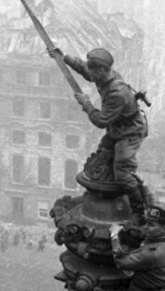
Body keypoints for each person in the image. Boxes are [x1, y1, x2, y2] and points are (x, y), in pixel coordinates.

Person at [48, 47, 148, 212]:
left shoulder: (117, 92)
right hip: (118, 128)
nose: (91, 75)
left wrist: (86, 103)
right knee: (102, 154)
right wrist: (64, 57)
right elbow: (84, 70)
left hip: (130, 133)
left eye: (93, 71)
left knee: (122, 172)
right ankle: (106, 184)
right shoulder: (105, 75)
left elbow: (101, 120)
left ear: (102, 70)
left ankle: (138, 207)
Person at [109, 205, 165, 291]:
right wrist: (131, 227)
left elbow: (121, 262)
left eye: (151, 225)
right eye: (146, 222)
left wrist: (114, 235)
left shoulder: (153, 253)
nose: (145, 227)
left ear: (164, 228)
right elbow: (147, 232)